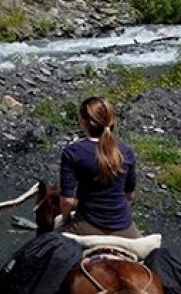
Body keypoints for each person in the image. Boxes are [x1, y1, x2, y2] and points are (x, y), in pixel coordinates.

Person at [58, 96, 139, 238]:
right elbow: (129, 195)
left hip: (86, 225)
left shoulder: (73, 152)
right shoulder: (125, 152)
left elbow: (67, 201)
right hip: (124, 228)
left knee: (44, 249)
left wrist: (65, 220)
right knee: (149, 253)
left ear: (84, 122)